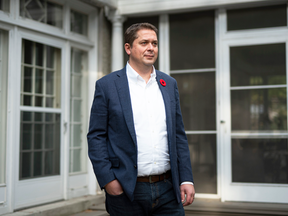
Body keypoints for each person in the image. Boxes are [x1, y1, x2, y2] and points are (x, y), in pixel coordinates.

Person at [87, 22, 195, 216]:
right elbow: (96, 136)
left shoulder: (168, 84)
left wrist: (186, 179)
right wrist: (108, 180)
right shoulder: (107, 85)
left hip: (169, 189)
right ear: (128, 48)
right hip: (127, 190)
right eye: (144, 42)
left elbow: (178, 134)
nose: (150, 48)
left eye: (154, 43)